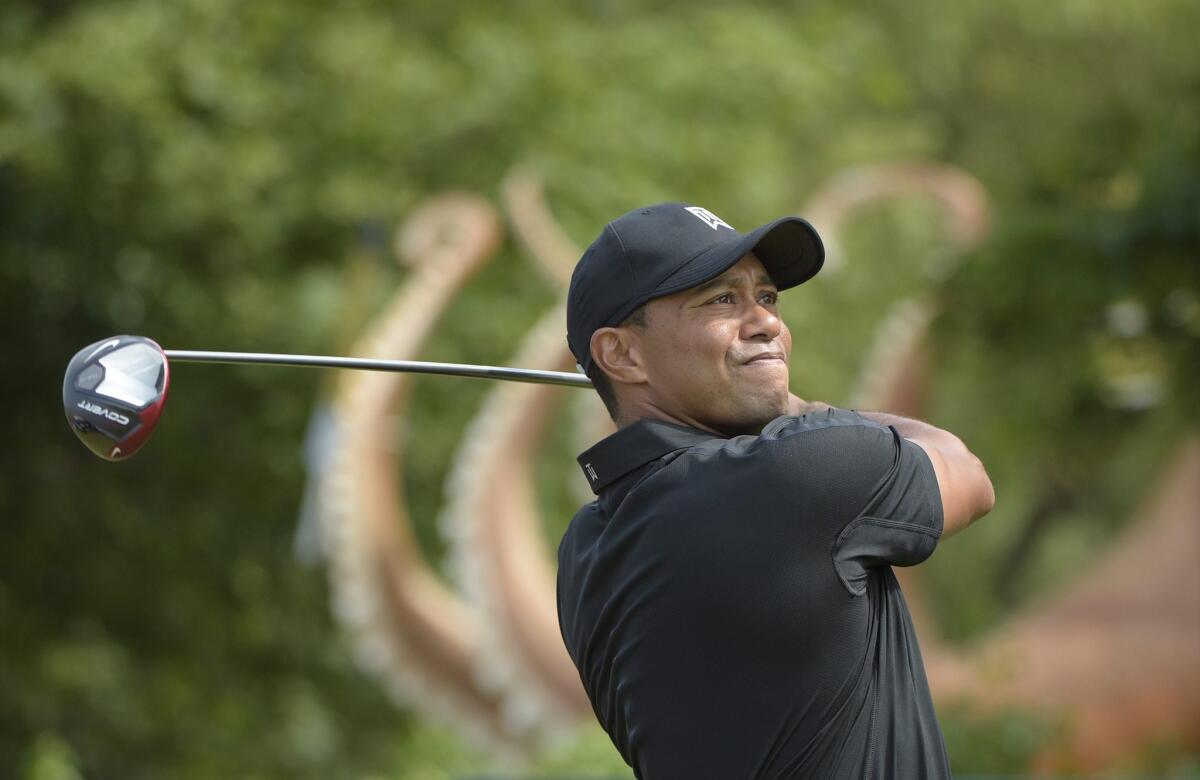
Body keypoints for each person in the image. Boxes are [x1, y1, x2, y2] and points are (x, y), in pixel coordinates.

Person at [557, 203, 995, 779]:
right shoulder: (797, 475)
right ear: (621, 353)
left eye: (767, 298)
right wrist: (797, 406)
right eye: (721, 300)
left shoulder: (584, 547)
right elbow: (968, 474)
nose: (766, 323)